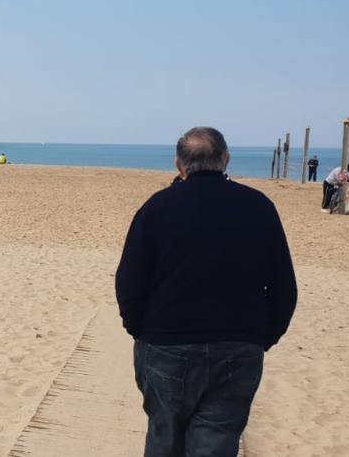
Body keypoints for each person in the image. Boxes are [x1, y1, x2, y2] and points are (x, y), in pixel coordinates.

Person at [116, 127, 297, 457]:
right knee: (215, 443)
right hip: (238, 346)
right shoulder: (259, 207)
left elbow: (129, 282)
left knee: (164, 438)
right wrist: (260, 337)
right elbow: (284, 288)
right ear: (226, 160)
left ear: (178, 165)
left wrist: (140, 332)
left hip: (167, 345)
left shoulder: (157, 207)